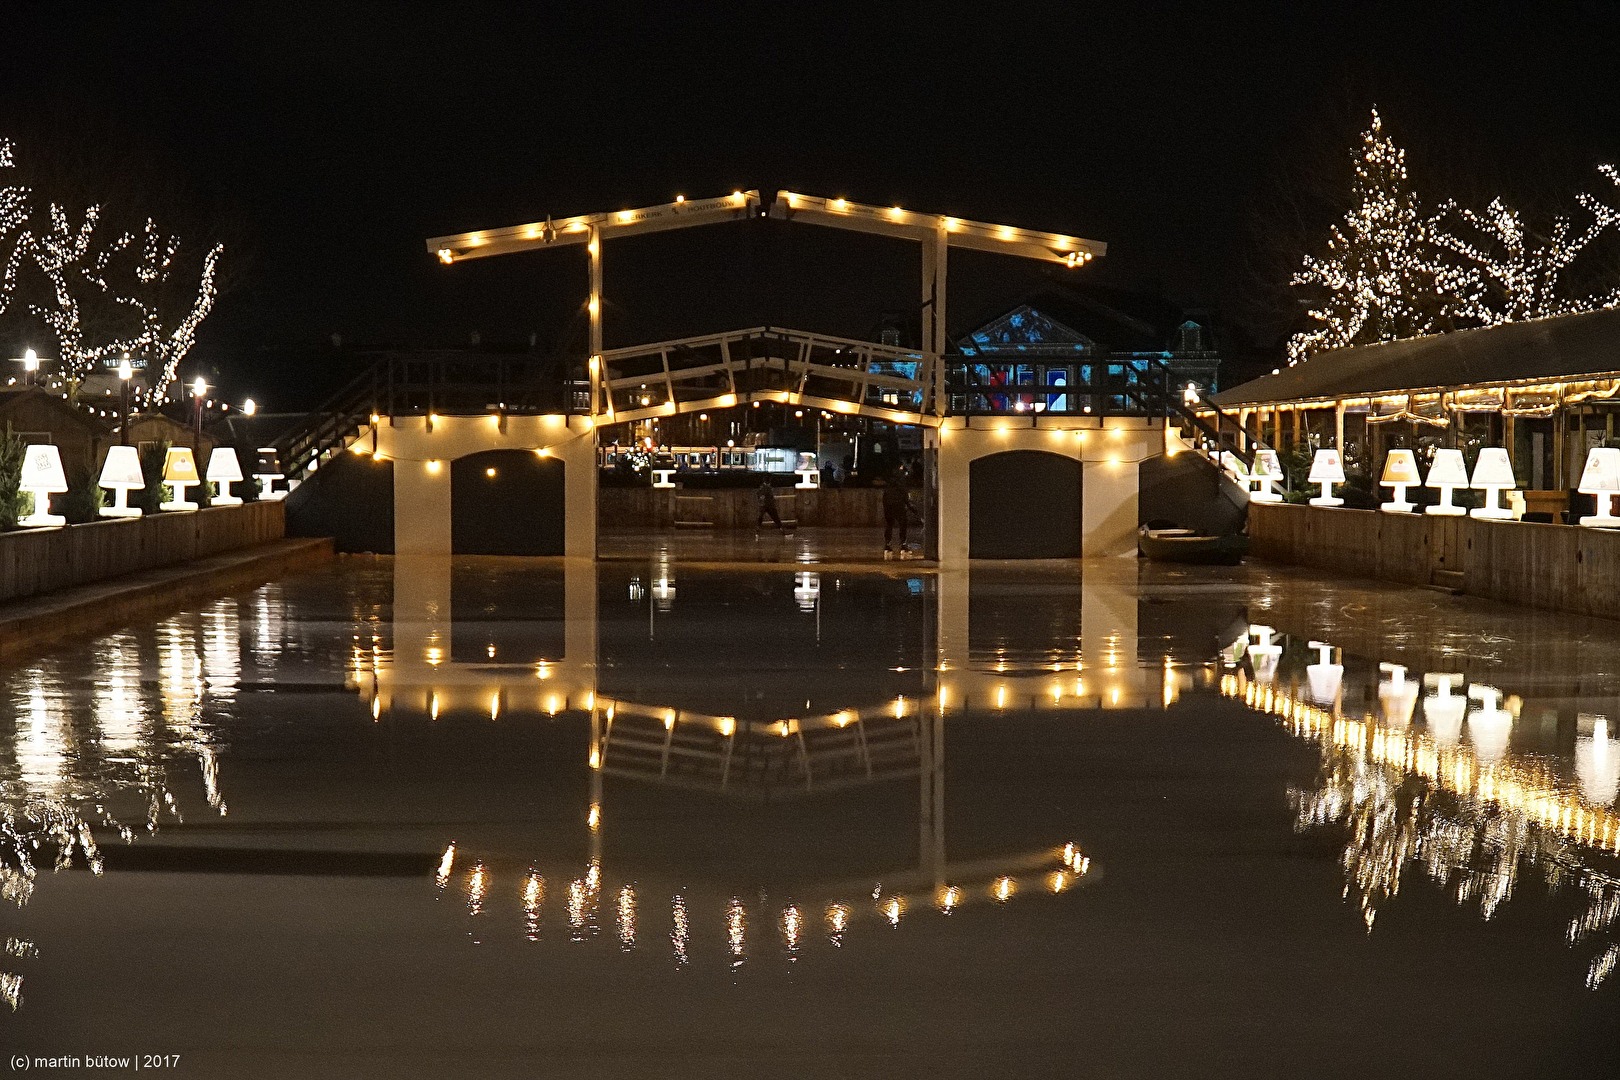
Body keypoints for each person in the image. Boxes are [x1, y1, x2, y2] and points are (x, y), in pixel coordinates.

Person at [881, 475, 912, 559]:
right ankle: (903, 544)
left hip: (889, 509)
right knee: (903, 525)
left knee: (889, 525)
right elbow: (907, 501)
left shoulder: (887, 490)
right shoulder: (902, 489)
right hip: (900, 509)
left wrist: (886, 511)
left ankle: (887, 545)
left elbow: (884, 501)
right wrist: (912, 509)